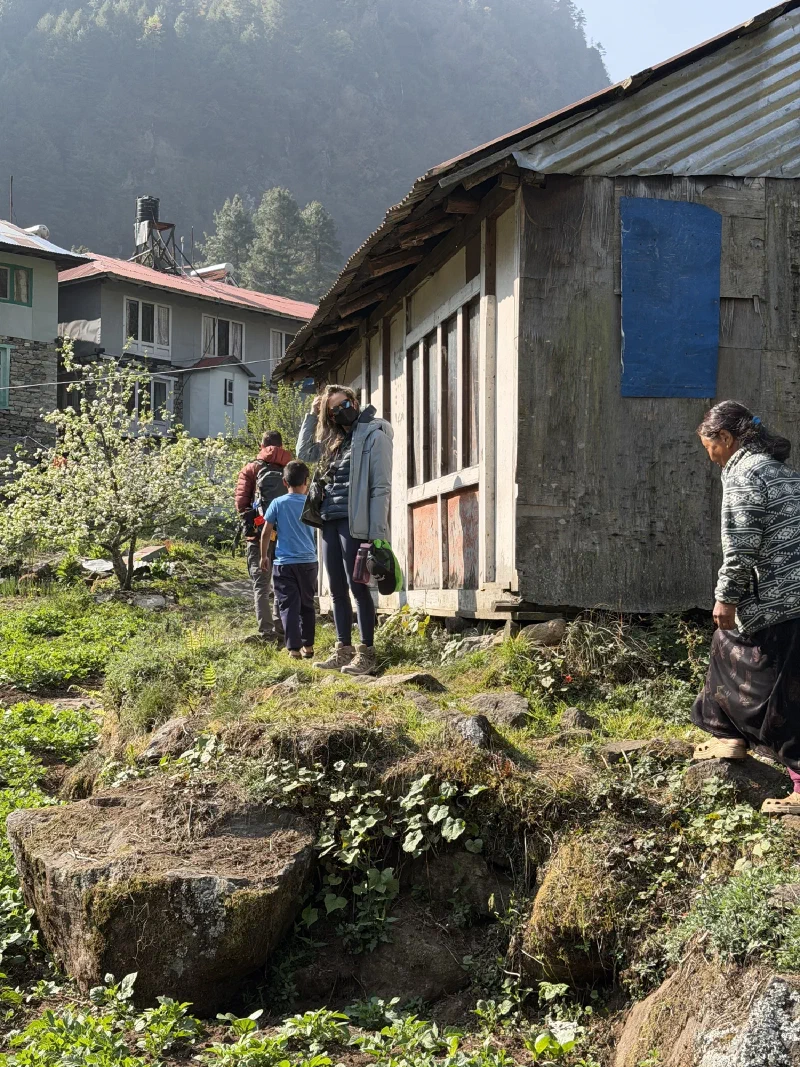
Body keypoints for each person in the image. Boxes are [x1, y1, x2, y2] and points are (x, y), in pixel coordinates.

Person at [692, 400, 800, 813]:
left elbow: (740, 547)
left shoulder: (743, 473)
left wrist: (726, 597)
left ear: (725, 437)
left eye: (710, 447)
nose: (711, 456)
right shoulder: (780, 471)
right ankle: (727, 734)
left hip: (776, 598)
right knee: (734, 651)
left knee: (773, 689)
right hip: (794, 598)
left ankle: (790, 778)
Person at [297, 384, 393, 675]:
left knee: (358, 586)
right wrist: (312, 415)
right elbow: (304, 452)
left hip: (356, 522)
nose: (340, 412)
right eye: (333, 411)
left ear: (354, 400)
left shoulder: (375, 434)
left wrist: (377, 533)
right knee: (337, 588)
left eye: (343, 405)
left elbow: (381, 487)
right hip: (329, 518)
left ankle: (367, 653)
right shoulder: (335, 440)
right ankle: (343, 649)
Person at [235, 430, 293, 644]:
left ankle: (266, 632)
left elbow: (241, 503)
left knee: (261, 583)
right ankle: (281, 627)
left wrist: (250, 523)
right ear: (281, 445)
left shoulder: (251, 468)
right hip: (285, 533)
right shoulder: (290, 468)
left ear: (262, 445)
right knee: (281, 581)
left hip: (259, 533)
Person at [260, 461, 318, 660]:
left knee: (288, 605)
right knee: (307, 604)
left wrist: (263, 556)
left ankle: (293, 649)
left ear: (284, 482)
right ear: (306, 481)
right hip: (309, 562)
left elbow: (266, 532)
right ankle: (308, 646)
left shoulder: (278, 503)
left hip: (284, 563)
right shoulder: (311, 501)